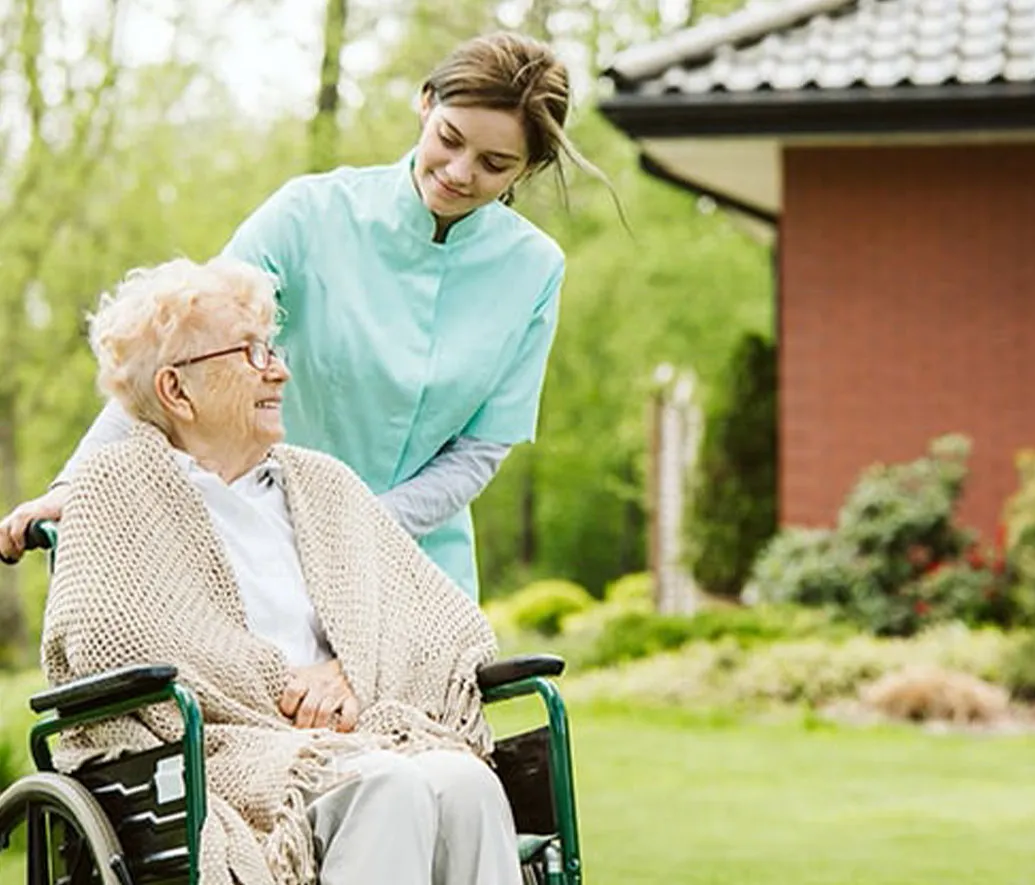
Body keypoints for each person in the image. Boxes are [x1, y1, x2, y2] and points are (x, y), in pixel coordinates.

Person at [0, 30, 611, 599]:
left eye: (493, 164)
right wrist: (76, 486)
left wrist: (360, 529)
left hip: (421, 566)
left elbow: (478, 450)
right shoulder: (307, 216)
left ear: (527, 168)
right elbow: (175, 357)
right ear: (426, 104)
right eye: (449, 139)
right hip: (268, 548)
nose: (459, 173)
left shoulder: (535, 271)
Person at [41, 256, 521, 885]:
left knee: (466, 784)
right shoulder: (116, 486)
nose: (280, 370)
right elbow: (104, 637)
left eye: (271, 348)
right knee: (389, 787)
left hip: (356, 735)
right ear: (176, 390)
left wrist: (349, 670)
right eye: (251, 352)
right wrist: (280, 688)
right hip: (222, 755)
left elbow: (442, 622)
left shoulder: (324, 484)